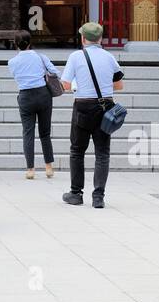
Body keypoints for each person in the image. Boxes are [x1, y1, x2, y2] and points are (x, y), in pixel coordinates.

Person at [60, 21, 124, 209]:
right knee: (102, 153)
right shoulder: (109, 57)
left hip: (83, 106)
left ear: (83, 38)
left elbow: (64, 84)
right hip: (105, 107)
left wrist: (79, 85)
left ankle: (76, 193)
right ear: (100, 39)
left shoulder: (75, 57)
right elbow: (119, 85)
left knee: (77, 151)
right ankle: (98, 197)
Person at [8, 34, 58, 180]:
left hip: (25, 96)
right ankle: (48, 166)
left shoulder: (12, 62)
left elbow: (15, 76)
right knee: (45, 133)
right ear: (30, 42)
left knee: (28, 132)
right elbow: (54, 72)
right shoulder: (41, 57)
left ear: (16, 44)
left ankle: (30, 169)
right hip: (43, 94)